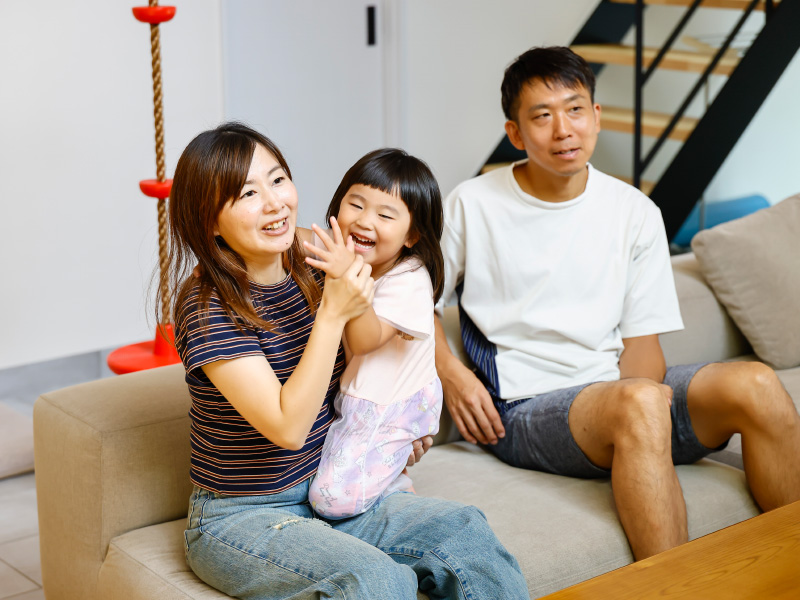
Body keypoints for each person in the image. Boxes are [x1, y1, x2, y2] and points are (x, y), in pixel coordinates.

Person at [433, 46, 800, 561]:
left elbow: (642, 345)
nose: (564, 130)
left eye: (575, 109)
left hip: (616, 396)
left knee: (756, 383)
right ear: (515, 133)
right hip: (524, 407)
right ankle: (673, 589)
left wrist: (647, 414)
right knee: (638, 402)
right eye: (542, 116)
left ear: (597, 116)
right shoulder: (471, 203)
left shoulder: (634, 211)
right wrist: (452, 374)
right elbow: (412, 301)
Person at [166, 122, 529, 599]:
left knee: (465, 533)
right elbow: (287, 427)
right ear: (209, 220)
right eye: (248, 193)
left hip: (335, 484)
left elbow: (399, 315)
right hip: (244, 515)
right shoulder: (208, 308)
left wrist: (398, 431)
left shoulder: (312, 258)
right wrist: (333, 314)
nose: (275, 203)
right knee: (376, 580)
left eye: (278, 180)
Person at [306, 149, 445, 519]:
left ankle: (395, 491)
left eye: (385, 215)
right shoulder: (346, 256)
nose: (365, 221)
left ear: (412, 235)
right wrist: (222, 257)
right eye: (356, 204)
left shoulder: (410, 278)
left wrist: (345, 277)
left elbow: (364, 340)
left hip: (393, 405)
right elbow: (295, 240)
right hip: (358, 397)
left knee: (329, 501)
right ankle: (388, 478)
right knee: (320, 484)